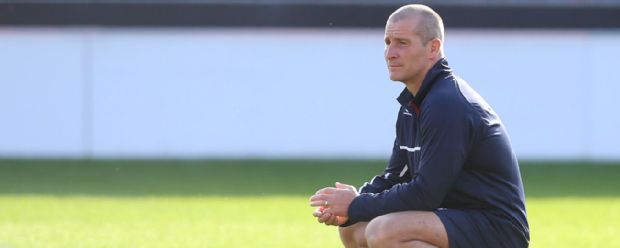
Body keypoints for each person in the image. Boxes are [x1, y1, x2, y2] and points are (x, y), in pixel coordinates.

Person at [309, 4, 529, 248]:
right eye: (388, 41)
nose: (390, 53)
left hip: (496, 229)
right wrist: (354, 202)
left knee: (385, 231)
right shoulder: (413, 105)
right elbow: (395, 177)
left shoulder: (447, 103)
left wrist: (356, 204)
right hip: (455, 218)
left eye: (402, 43)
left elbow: (426, 194)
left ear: (433, 48)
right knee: (354, 226)